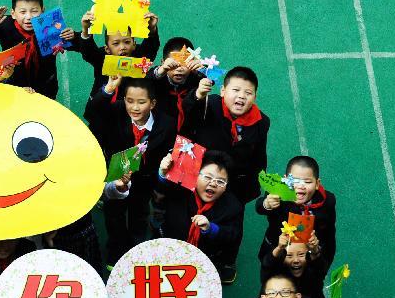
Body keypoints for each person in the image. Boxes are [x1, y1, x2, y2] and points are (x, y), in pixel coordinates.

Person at [184, 66, 271, 283]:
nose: (241, 96)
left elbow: (259, 155)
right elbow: (187, 114)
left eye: (248, 92)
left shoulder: (261, 122)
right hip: (203, 177)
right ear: (223, 91)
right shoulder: (208, 104)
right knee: (192, 214)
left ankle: (226, 261)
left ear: (255, 96)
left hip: (236, 185)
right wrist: (197, 95)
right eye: (235, 90)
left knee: (233, 225)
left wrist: (264, 186)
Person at [88, 76, 177, 263]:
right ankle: (115, 253)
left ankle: (136, 253)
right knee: (114, 216)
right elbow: (93, 110)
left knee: (140, 215)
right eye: (130, 101)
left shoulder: (166, 124)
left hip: (145, 179)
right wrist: (109, 88)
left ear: (152, 103)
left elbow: (168, 151)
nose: (135, 107)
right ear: (124, 100)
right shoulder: (117, 111)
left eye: (141, 102)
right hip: (116, 174)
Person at [0, 0, 76, 99]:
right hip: (14, 86)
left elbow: (76, 44)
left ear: (42, 11)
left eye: (34, 11)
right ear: (13, 13)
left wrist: (74, 36)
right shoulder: (5, 25)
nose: (28, 17)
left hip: (46, 86)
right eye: (23, 12)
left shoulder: (51, 27)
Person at [157, 150, 243, 281]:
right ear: (196, 175)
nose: (213, 184)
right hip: (170, 248)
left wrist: (211, 229)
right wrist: (163, 173)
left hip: (205, 259)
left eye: (221, 181)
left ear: (226, 186)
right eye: (208, 177)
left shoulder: (232, 206)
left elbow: (232, 235)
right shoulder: (182, 189)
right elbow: (164, 188)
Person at [256, 155, 337, 267]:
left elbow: (329, 233)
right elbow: (259, 207)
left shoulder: (327, 200)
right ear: (285, 179)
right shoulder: (277, 194)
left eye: (307, 182)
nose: (300, 186)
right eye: (294, 181)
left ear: (317, 184)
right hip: (277, 250)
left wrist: (324, 258)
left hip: (307, 256)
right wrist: (267, 204)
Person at [147, 36, 204, 133]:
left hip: (188, 134)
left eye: (185, 64)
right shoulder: (156, 78)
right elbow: (145, 80)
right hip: (157, 132)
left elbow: (210, 81)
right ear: (163, 63)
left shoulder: (197, 78)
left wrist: (202, 70)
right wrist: (161, 70)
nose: (179, 69)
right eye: (174, 64)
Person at [260, 232, 329, 298]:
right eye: (289, 255)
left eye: (301, 255)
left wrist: (314, 251)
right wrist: (279, 248)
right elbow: (267, 266)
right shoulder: (275, 272)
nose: (296, 260)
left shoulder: (313, 272)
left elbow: (320, 268)